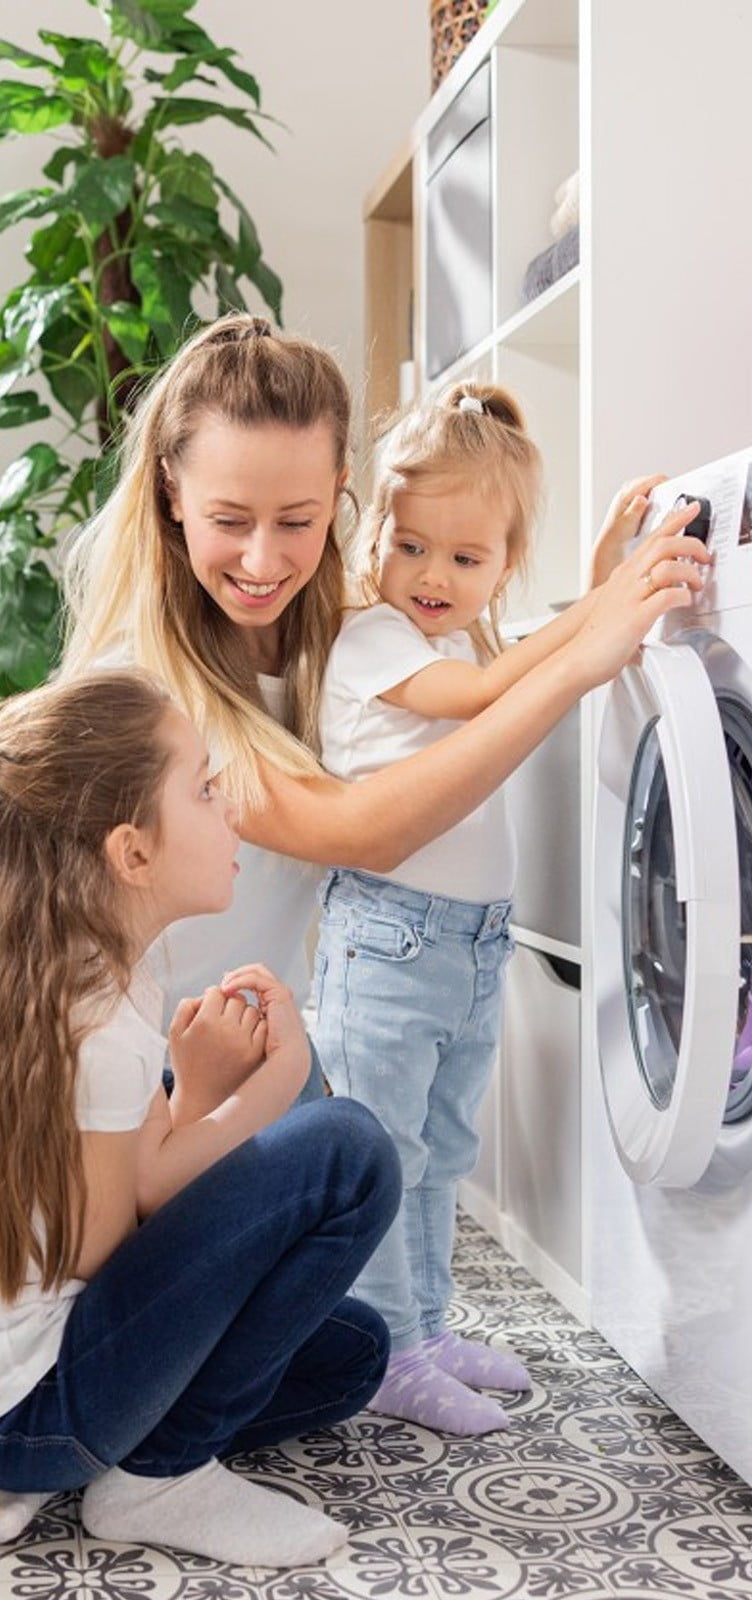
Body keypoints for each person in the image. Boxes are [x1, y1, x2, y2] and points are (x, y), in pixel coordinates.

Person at [0, 670, 401, 1568]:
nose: (227, 801)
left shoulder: (78, 976)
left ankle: (44, 1477)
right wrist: (272, 1083)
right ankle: (157, 1476)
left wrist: (197, 1093)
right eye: (201, 786)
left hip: (11, 1398)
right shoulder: (91, 1018)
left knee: (350, 1354)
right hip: (22, 1409)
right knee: (345, 1149)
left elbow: (117, 1201)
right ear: (132, 853)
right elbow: (111, 1243)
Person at [61, 313, 709, 1025]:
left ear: (341, 492)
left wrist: (595, 599)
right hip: (143, 1081)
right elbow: (362, 830)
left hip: (261, 1061)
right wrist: (585, 653)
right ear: (170, 494)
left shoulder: (343, 635)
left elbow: (476, 663)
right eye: (231, 520)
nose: (262, 560)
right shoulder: (144, 692)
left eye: (297, 521)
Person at [307, 382, 690, 1434]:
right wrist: (597, 623)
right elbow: (488, 701)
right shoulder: (373, 638)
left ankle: (421, 1328)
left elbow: (508, 660)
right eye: (411, 545)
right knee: (386, 1154)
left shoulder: (463, 640)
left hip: (464, 948)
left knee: (439, 1148)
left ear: (502, 567)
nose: (433, 576)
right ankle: (380, 1347)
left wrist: (600, 581)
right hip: (388, 939)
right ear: (374, 534)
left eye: (467, 560)